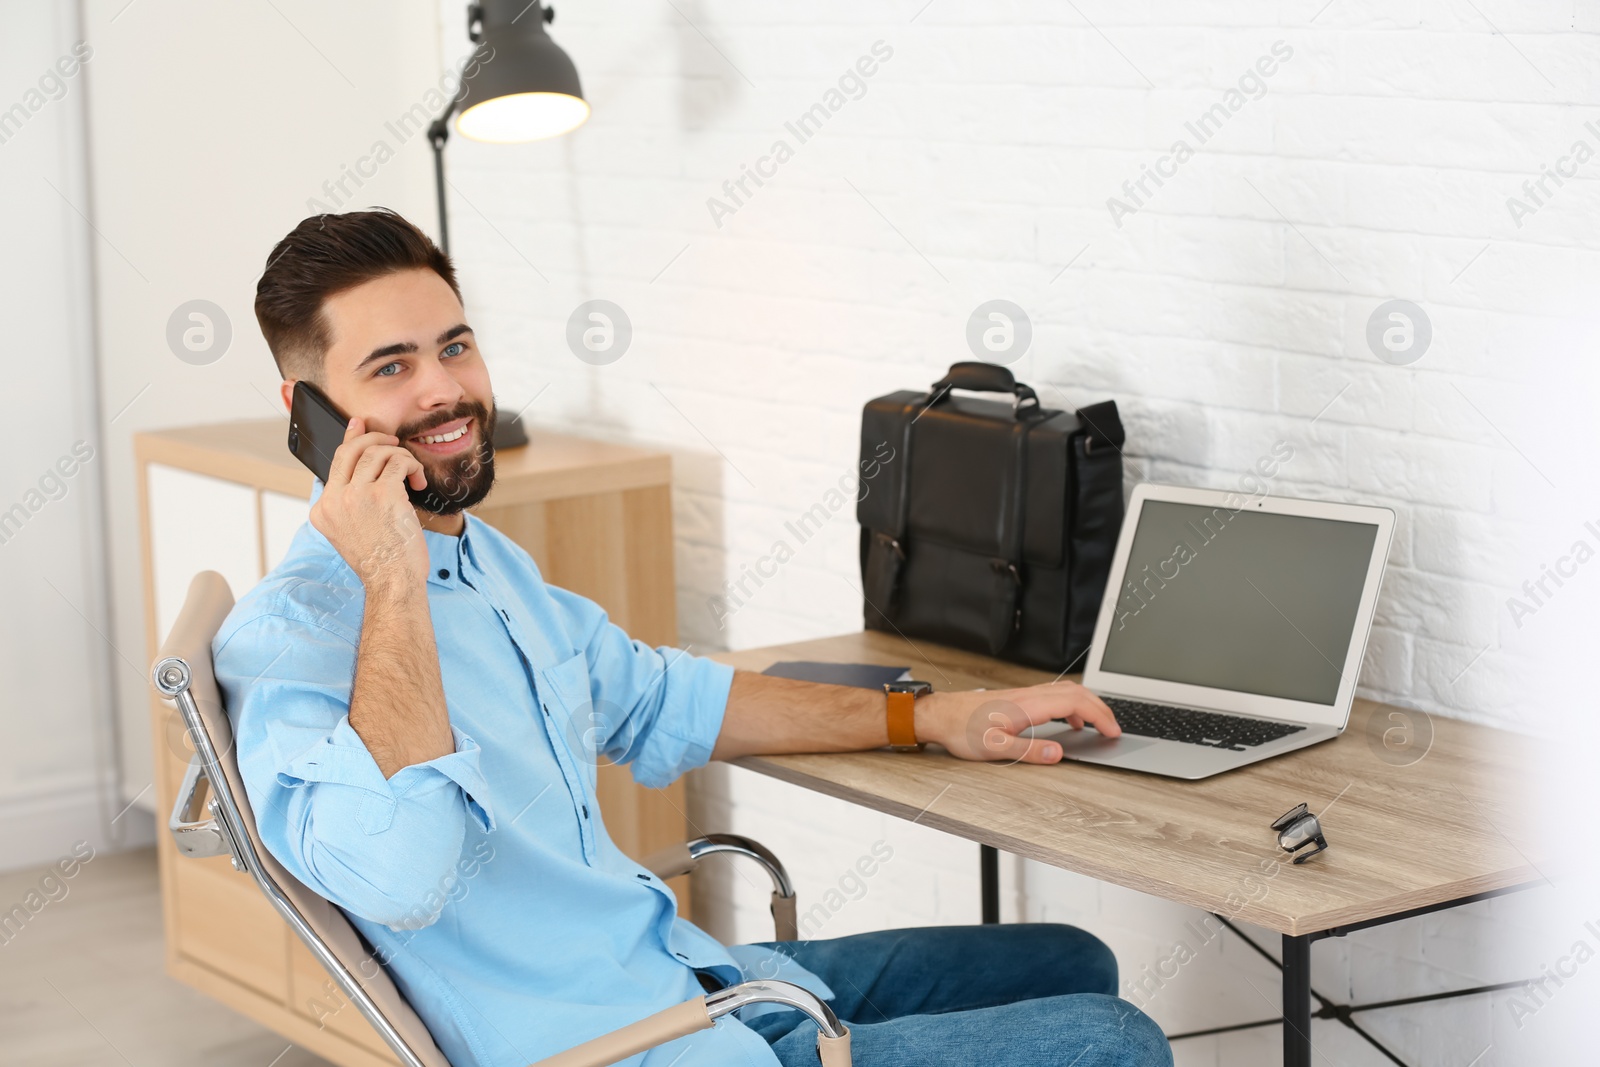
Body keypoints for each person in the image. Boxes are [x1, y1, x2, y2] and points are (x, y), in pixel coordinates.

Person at [214, 207, 1173, 1067]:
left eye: (454, 347)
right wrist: (390, 578)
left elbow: (661, 697)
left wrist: (939, 716)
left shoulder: (483, 559)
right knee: (1111, 1043)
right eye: (392, 367)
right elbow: (398, 872)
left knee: (1070, 957)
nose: (446, 391)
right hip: (629, 1050)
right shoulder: (292, 638)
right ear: (311, 416)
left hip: (690, 982)